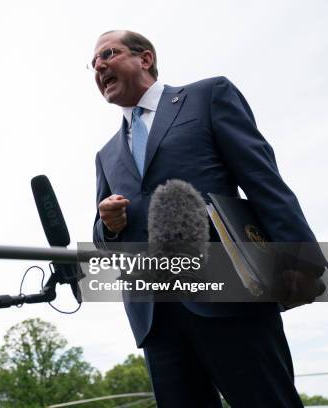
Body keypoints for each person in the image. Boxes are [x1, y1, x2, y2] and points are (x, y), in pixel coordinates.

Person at [91, 30, 323, 407]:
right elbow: (103, 236)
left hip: (230, 292)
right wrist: (107, 224)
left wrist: (300, 259)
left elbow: (262, 179)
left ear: (145, 58)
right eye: (93, 64)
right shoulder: (106, 154)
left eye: (107, 54)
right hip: (155, 316)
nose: (98, 66)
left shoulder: (207, 96)